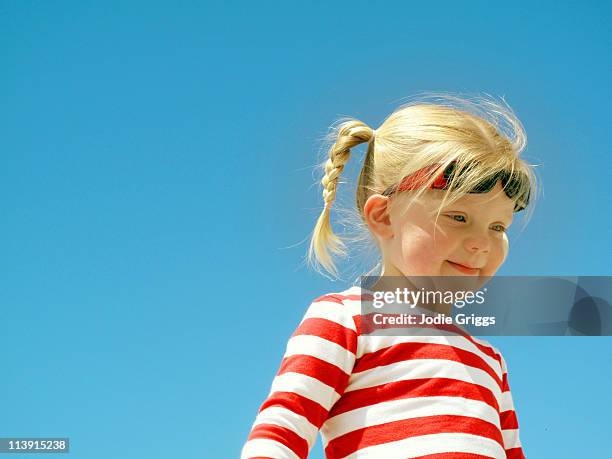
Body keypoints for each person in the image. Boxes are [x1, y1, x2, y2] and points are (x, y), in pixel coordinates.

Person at [240, 93, 536, 458]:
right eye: (458, 217)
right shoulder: (345, 320)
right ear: (383, 216)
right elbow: (282, 431)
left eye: (497, 225)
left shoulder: (490, 360)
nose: (481, 243)